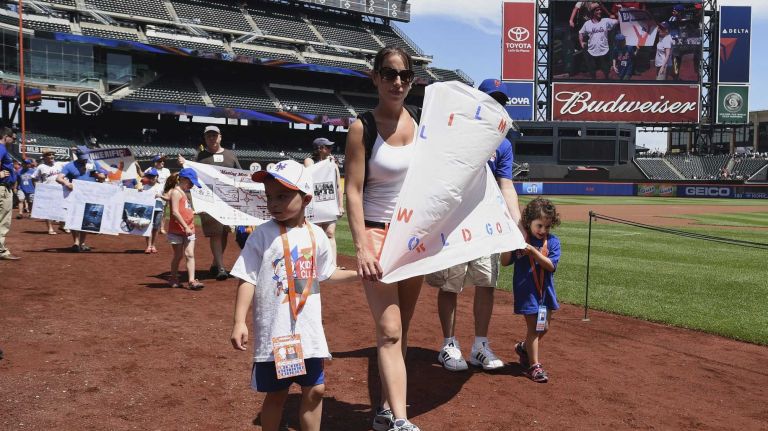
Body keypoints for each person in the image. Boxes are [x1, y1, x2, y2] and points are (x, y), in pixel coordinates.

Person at [230, 160, 356, 431]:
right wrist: (239, 321)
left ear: (306, 198)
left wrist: (359, 275)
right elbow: (247, 278)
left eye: (283, 196)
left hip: (307, 332)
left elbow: (327, 274)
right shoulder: (262, 235)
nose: (273, 203)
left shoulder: (317, 236)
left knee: (316, 390)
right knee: (277, 394)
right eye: (270, 197)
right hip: (278, 334)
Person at [345, 46, 422, 431]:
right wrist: (360, 245)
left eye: (404, 76)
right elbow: (353, 191)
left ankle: (385, 409)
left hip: (411, 239)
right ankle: (401, 421)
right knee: (390, 329)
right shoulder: (362, 127)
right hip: (376, 234)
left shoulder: (423, 124)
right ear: (374, 76)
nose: (397, 82)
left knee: (401, 329)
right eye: (389, 74)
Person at [426, 79, 523, 373]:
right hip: (456, 221)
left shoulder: (502, 144)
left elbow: (506, 184)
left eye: (500, 101)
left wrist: (515, 221)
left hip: (487, 223)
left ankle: (480, 345)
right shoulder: (457, 132)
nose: (496, 105)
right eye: (490, 99)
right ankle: (448, 343)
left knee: (486, 282)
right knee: (451, 283)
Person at [501, 197, 562, 384]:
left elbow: (551, 266)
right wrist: (507, 244)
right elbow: (504, 263)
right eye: (539, 226)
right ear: (529, 222)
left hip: (545, 293)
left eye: (547, 227)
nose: (543, 231)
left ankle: (524, 347)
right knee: (534, 328)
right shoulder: (520, 240)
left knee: (544, 328)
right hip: (526, 292)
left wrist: (534, 252)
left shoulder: (552, 242)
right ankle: (534, 366)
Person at [178, 126, 241, 281]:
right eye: (209, 136)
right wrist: (184, 164)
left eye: (214, 135)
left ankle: (215, 264)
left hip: (228, 202)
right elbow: (191, 175)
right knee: (216, 233)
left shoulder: (230, 156)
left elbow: (240, 176)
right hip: (209, 201)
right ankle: (220, 267)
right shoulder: (200, 156)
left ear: (220, 137)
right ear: (205, 139)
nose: (212, 138)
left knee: (224, 233)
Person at [303, 137, 345, 268]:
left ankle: (333, 265)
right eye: (328, 147)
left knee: (330, 233)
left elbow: (338, 186)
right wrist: (328, 163)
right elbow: (312, 173)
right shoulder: (309, 160)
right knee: (312, 235)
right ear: (320, 148)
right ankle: (310, 264)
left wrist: (340, 206)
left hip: (329, 203)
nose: (331, 149)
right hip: (314, 205)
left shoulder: (333, 163)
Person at [56, 149, 105, 252]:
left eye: (86, 158)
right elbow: (58, 178)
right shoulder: (70, 166)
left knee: (86, 219)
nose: (85, 161)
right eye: (83, 159)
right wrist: (66, 183)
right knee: (74, 218)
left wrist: (98, 175)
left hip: (91, 195)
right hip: (75, 196)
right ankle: (76, 242)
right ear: (77, 156)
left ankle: (82, 243)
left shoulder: (94, 163)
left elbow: (103, 177)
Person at [165, 168, 204, 290]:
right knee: (178, 255)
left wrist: (194, 212)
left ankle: (192, 280)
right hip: (178, 230)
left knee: (190, 254)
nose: (192, 185)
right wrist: (185, 226)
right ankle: (173, 278)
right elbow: (175, 212)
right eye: (191, 182)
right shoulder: (176, 192)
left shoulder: (184, 193)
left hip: (189, 229)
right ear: (182, 179)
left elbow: (185, 209)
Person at [579, 7, 619, 79]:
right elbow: (581, 32)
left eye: (600, 10)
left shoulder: (606, 21)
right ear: (592, 12)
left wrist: (619, 12)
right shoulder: (587, 24)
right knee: (592, 71)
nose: (600, 11)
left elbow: (618, 21)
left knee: (606, 71)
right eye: (597, 10)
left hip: (604, 50)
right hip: (591, 50)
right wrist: (581, 42)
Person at [31, 149, 65, 234]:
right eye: (49, 155)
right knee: (48, 210)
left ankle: (62, 225)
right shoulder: (41, 167)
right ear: (44, 157)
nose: (51, 156)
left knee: (63, 208)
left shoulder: (59, 164)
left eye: (52, 154)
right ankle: (50, 228)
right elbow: (34, 178)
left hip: (60, 189)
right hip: (48, 190)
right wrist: (38, 189)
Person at [0, 127, 21, 261]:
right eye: (13, 138)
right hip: (2, 188)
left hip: (4, 187)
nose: (14, 140)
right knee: (3, 221)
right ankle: (1, 250)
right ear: (5, 136)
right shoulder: (1, 148)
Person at [146, 155, 171, 234]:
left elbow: (169, 181)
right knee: (151, 209)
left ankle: (162, 228)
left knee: (163, 211)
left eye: (163, 161)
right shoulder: (150, 169)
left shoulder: (166, 170)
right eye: (160, 161)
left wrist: (168, 192)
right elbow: (142, 176)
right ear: (155, 162)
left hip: (162, 193)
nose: (162, 162)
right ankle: (149, 225)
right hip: (151, 193)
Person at [141, 168, 164, 254]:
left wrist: (160, 196)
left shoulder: (161, 186)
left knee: (155, 228)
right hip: (148, 209)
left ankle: (153, 245)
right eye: (149, 177)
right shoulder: (145, 186)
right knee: (148, 228)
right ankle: (148, 245)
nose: (151, 179)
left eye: (152, 177)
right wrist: (140, 192)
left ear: (156, 177)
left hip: (158, 209)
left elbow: (166, 196)